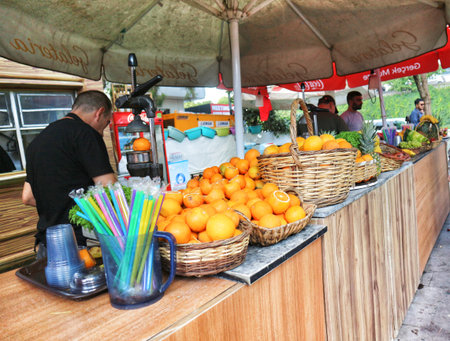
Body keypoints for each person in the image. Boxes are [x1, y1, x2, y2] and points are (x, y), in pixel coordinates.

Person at [22, 90, 116, 259]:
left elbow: (27, 197)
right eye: (107, 123)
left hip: (46, 247)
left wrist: (58, 206)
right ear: (99, 113)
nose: (103, 130)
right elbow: (108, 189)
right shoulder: (86, 134)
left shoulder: (37, 142)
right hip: (78, 247)